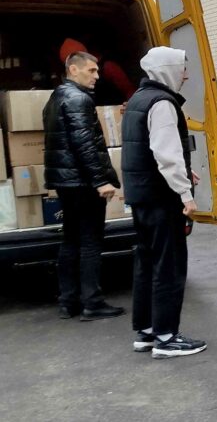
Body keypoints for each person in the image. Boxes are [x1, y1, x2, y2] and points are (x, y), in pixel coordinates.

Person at [122, 46, 204, 359]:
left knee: (146, 263)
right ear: (168, 70)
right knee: (169, 266)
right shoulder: (162, 103)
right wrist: (184, 193)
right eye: (182, 68)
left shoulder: (138, 100)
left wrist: (184, 170)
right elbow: (165, 152)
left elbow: (146, 149)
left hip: (142, 197)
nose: (184, 75)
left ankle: (145, 332)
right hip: (161, 200)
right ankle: (167, 337)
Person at [44, 51, 124, 321]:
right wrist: (100, 180)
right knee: (90, 242)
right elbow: (84, 145)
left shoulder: (56, 97)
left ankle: (68, 301)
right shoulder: (78, 99)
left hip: (67, 182)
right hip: (82, 182)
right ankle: (92, 302)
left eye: (97, 71)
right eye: (91, 71)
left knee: (70, 239)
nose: (97, 76)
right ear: (74, 70)